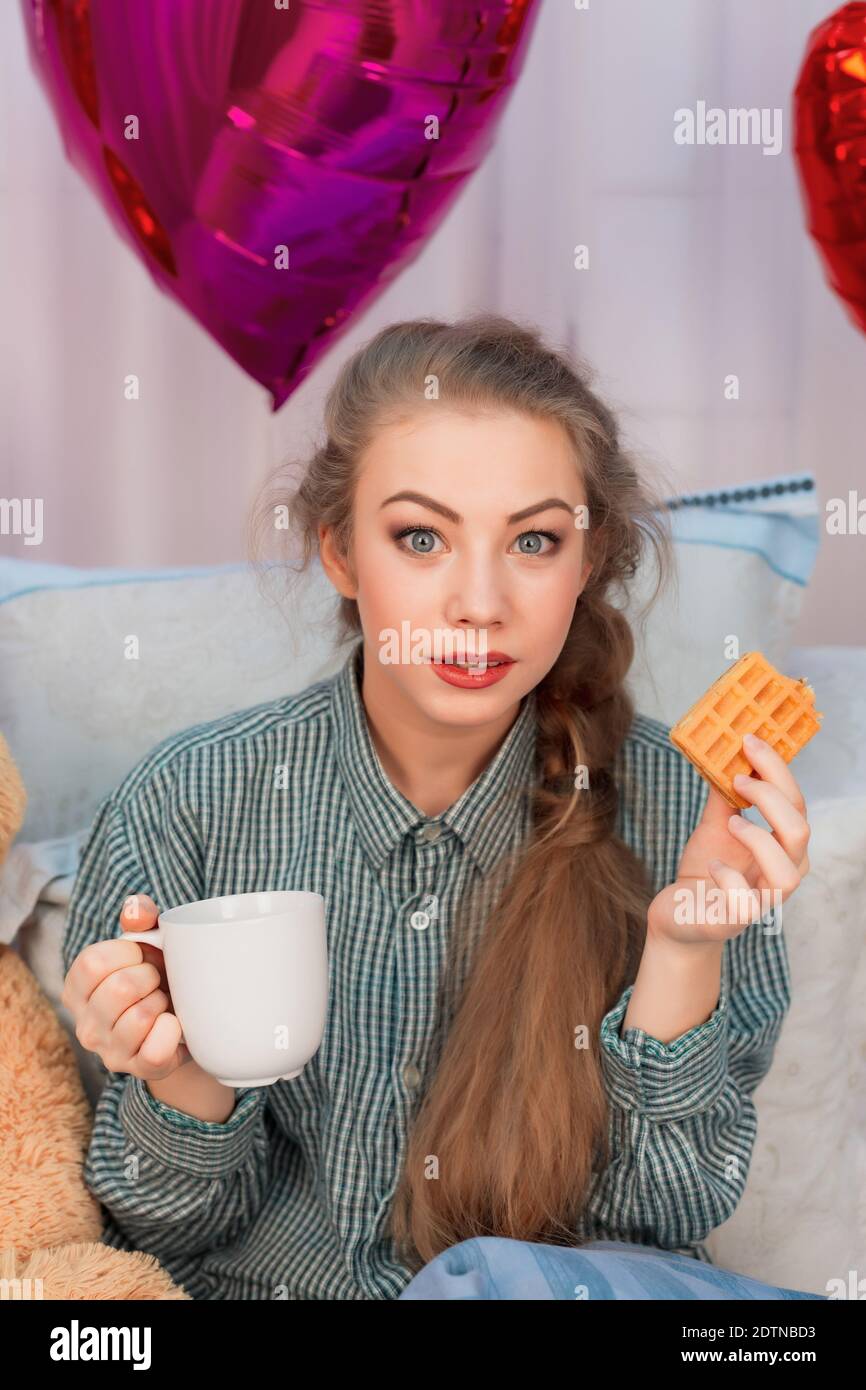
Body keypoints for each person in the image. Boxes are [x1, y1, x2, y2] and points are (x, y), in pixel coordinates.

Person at [61, 314, 823, 1301]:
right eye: (419, 536)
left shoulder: (693, 811)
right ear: (339, 552)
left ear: (586, 562)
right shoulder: (185, 805)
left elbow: (664, 1222)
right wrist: (180, 1077)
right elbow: (160, 1230)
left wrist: (681, 949)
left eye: (534, 540)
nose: (477, 600)